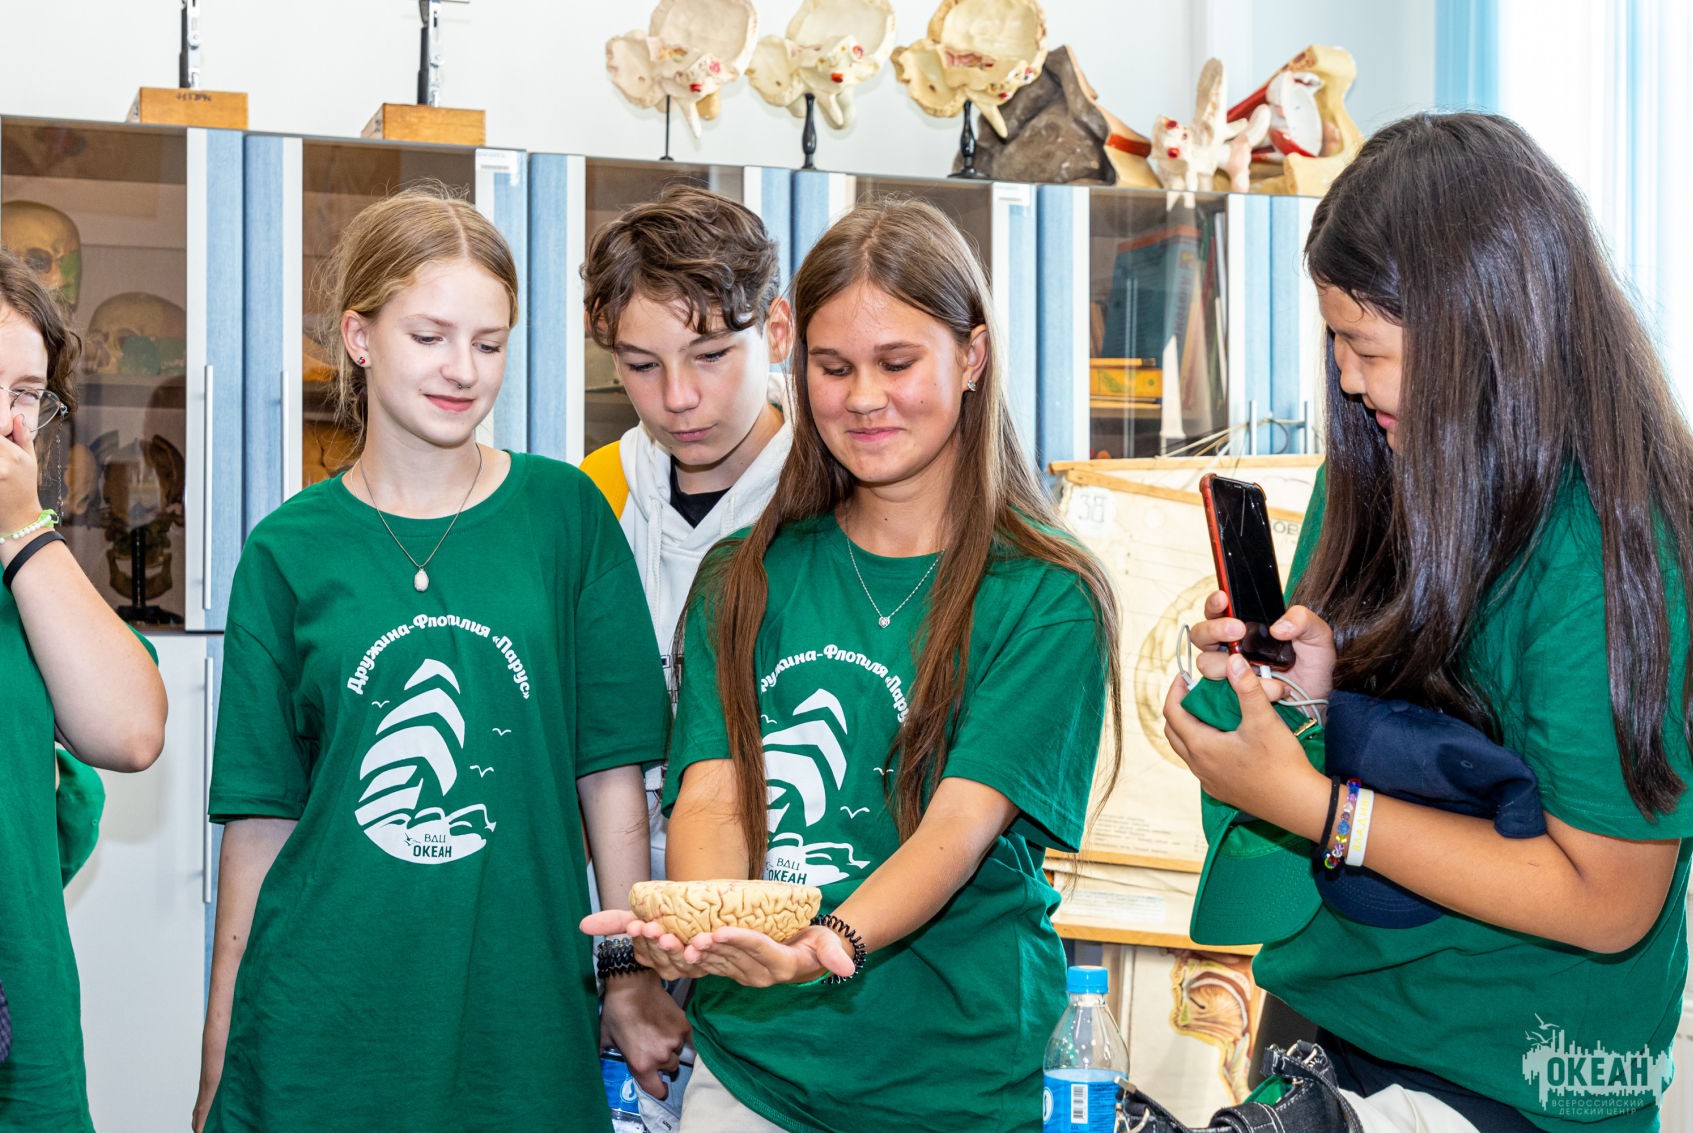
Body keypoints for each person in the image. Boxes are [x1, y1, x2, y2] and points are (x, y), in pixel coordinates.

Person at [1164, 112, 1693, 1132]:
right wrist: (1305, 699)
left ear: (1484, 328)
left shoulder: (1613, 552)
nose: (1346, 378)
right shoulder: (1384, 457)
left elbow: (1607, 897)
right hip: (1329, 1023)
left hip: (1521, 1072)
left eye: (1366, 347)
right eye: (1333, 341)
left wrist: (1322, 807)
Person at [584, 198, 1123, 1133]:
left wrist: (821, 942)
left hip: (956, 1082)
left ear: (973, 355)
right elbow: (711, 795)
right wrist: (709, 928)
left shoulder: (1045, 592)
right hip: (755, 1074)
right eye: (833, 368)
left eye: (897, 363)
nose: (864, 397)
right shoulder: (745, 575)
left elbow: (956, 829)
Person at [193, 186, 685, 1132]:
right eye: (429, 336)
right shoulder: (288, 550)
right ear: (360, 337)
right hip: (317, 1023)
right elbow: (259, 827)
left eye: (489, 343)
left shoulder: (565, 517)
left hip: (519, 1015)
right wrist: (219, 1052)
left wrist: (627, 974)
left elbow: (611, 774)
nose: (463, 370)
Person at [579, 183, 795, 881]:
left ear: (777, 330)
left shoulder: (833, 498)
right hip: (619, 892)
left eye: (711, 355)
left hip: (795, 889)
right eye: (643, 365)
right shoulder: (595, 495)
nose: (678, 398)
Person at [0, 246, 167, 1129]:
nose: (8, 425)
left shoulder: (30, 577)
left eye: (26, 395)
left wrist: (23, 534)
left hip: (24, 1052)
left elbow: (132, 732)